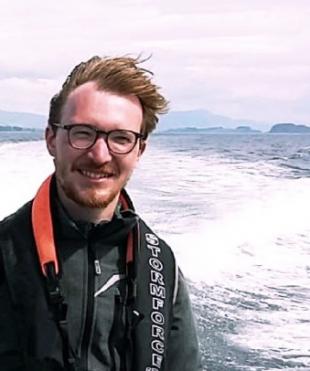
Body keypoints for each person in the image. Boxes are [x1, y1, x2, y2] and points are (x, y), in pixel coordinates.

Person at [0, 56, 200, 371]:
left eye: (120, 138)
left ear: (139, 151)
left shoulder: (161, 268)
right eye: (82, 133)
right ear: (52, 139)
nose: (99, 154)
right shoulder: (5, 253)